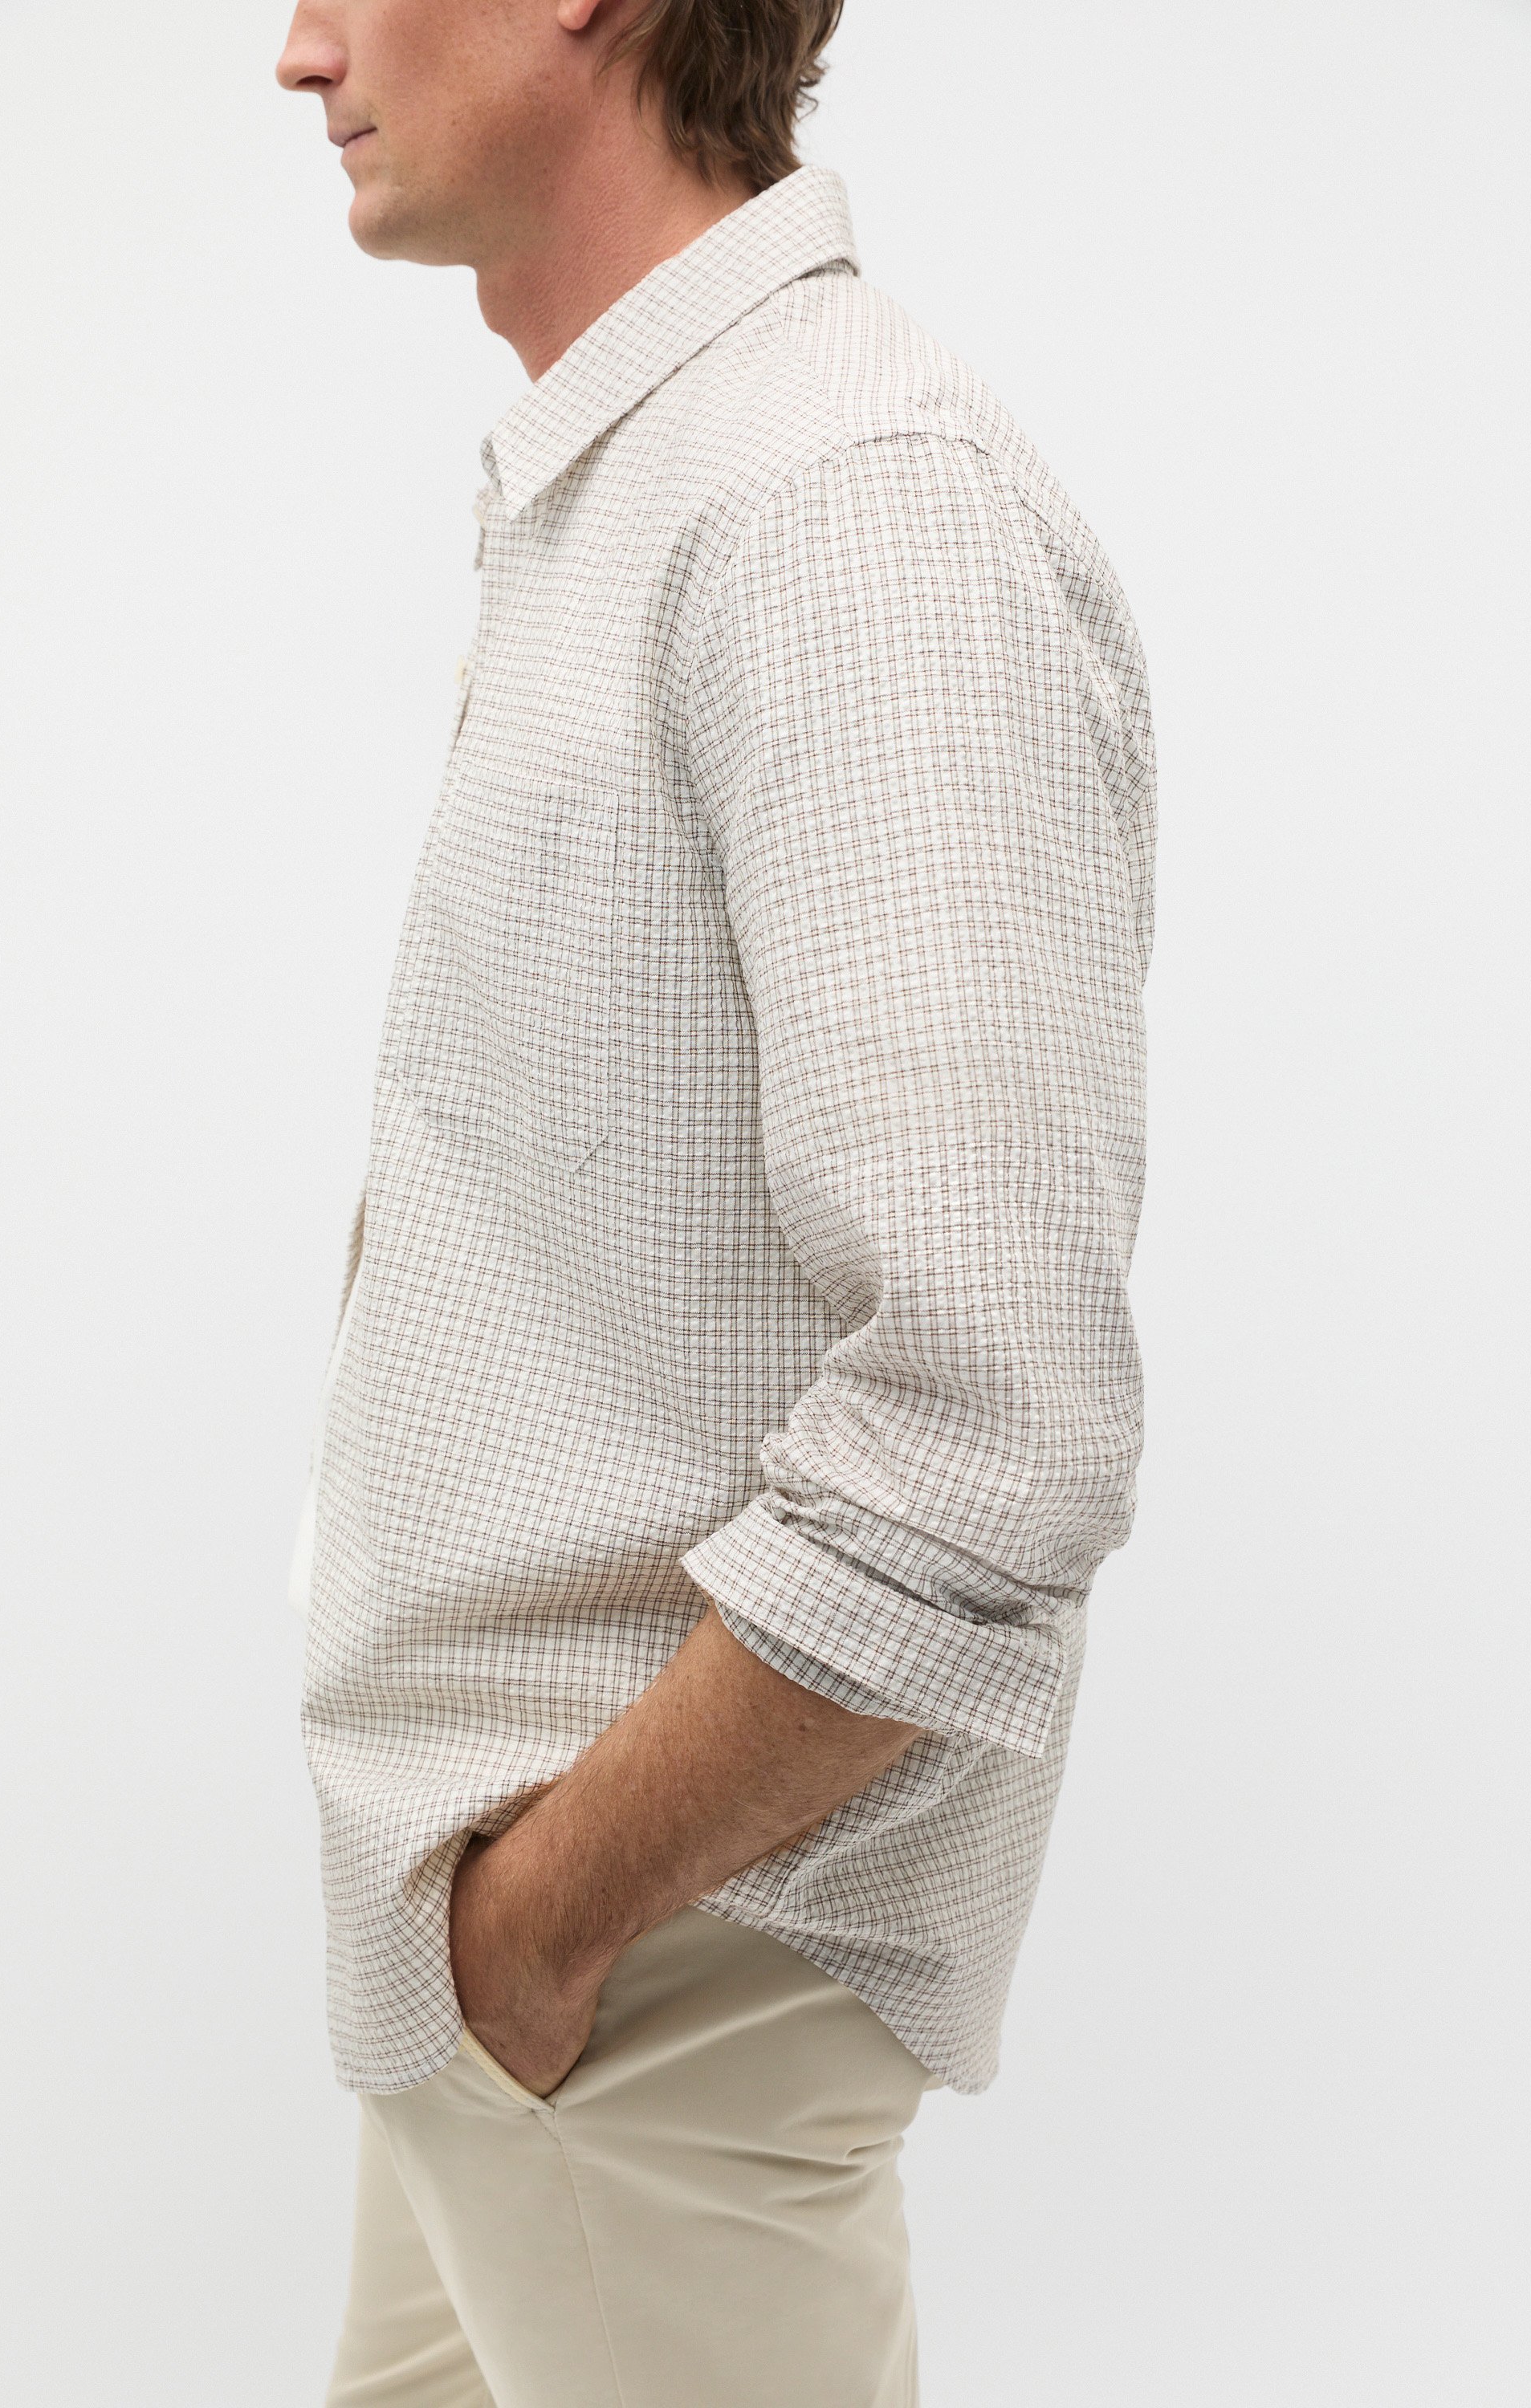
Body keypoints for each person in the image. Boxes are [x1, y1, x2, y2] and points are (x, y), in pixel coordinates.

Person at [276, 2, 1155, 2400]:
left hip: (644, 1974)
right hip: (512, 1964)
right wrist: (480, 1948)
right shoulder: (660, 474)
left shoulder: (844, 501)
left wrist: (556, 1927)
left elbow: (997, 1425)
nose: (299, 50)